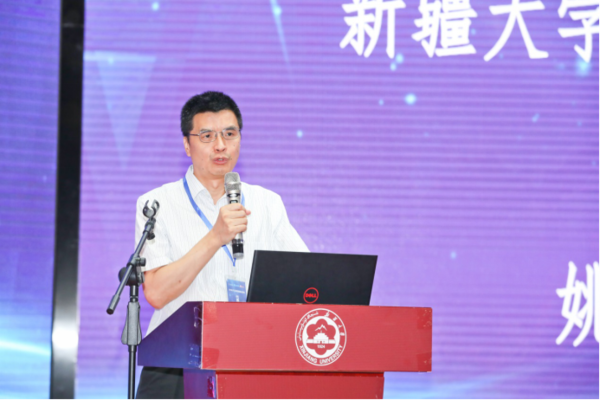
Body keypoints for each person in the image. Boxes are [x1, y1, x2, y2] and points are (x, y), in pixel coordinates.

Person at [135, 91, 308, 399]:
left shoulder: (267, 203)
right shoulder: (157, 204)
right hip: (175, 365)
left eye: (229, 134)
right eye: (207, 136)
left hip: (249, 360)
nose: (220, 145)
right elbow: (157, 293)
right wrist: (215, 237)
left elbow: (306, 280)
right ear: (186, 144)